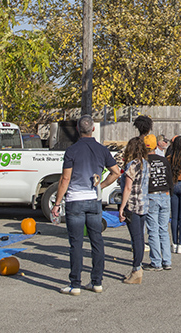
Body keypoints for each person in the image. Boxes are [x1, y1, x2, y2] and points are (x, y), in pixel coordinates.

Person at [52, 115, 120, 295]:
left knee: (76, 243)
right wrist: (102, 186)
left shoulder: (72, 150)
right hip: (93, 200)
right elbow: (116, 172)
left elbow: (65, 179)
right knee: (96, 240)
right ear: (94, 129)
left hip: (75, 200)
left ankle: (75, 284)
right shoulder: (102, 150)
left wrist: (57, 203)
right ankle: (96, 281)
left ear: (77, 128)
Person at [118, 136, 150, 284]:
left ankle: (137, 269)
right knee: (140, 238)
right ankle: (136, 268)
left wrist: (122, 207)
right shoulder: (146, 164)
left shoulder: (132, 165)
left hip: (133, 204)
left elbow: (128, 187)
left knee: (135, 239)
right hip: (143, 204)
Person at [144, 134, 174, 271]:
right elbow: (169, 178)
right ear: (156, 146)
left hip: (151, 195)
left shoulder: (143, 162)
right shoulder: (163, 161)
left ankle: (156, 262)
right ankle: (167, 260)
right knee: (163, 229)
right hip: (165, 194)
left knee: (153, 230)